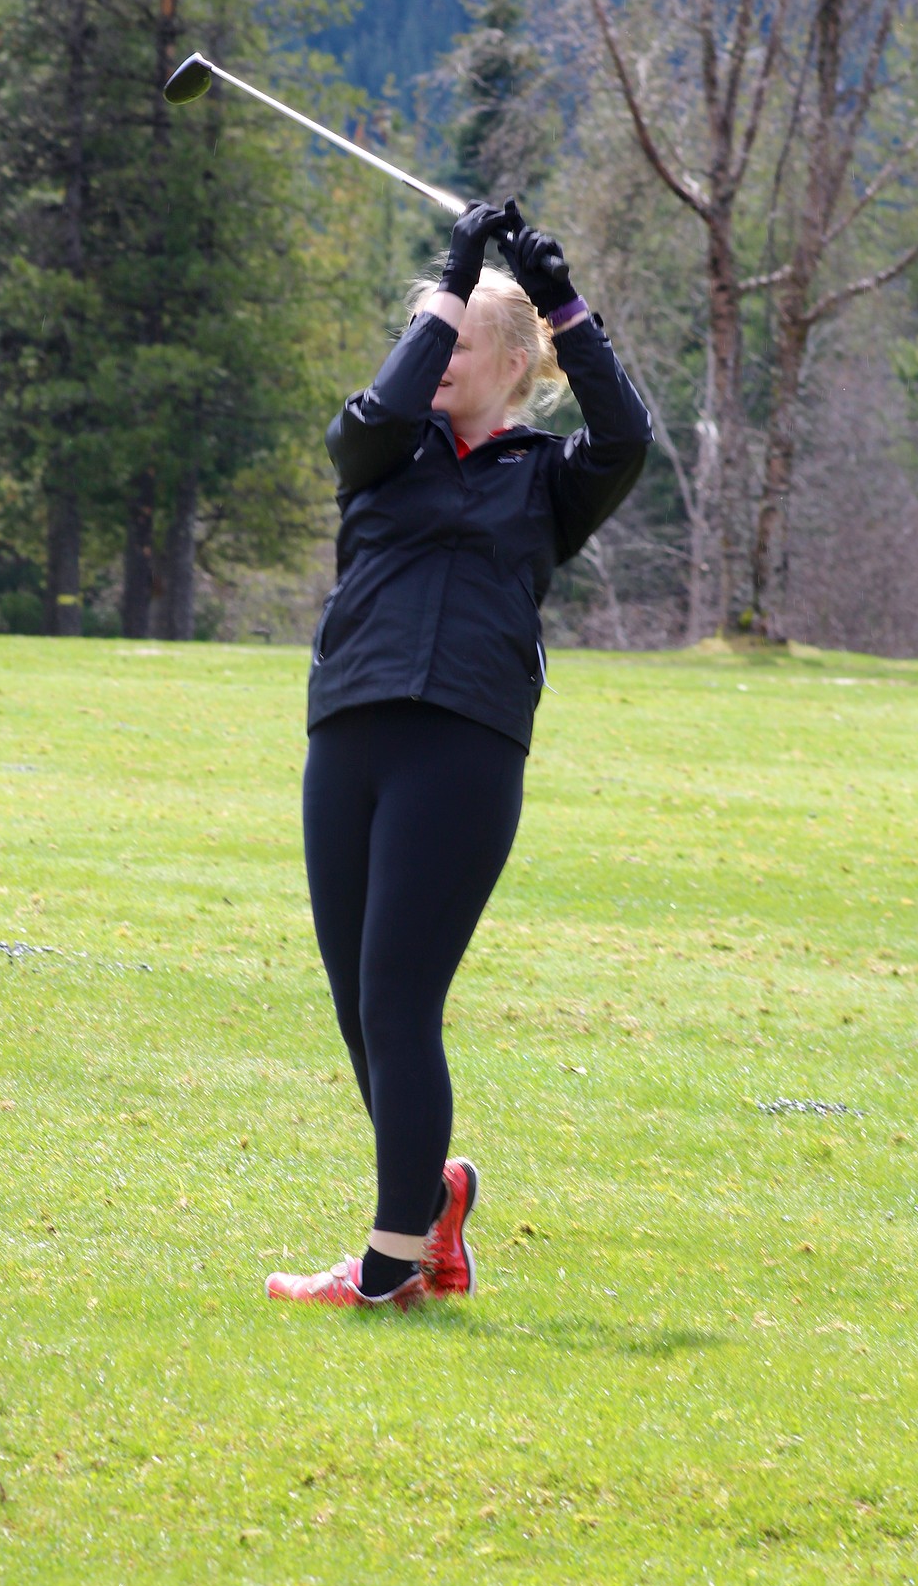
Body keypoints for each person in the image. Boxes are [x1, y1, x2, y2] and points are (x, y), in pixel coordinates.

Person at [266, 199, 653, 1308]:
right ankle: (433, 1209)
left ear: (516, 363)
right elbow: (381, 401)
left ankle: (392, 1266)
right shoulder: (384, 448)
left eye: (458, 339)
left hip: (465, 744)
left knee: (398, 1001)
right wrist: (454, 275)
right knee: (357, 1004)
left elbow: (626, 438)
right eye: (428, 332)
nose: (433, 354)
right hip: (350, 727)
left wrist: (564, 300)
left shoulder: (548, 478)